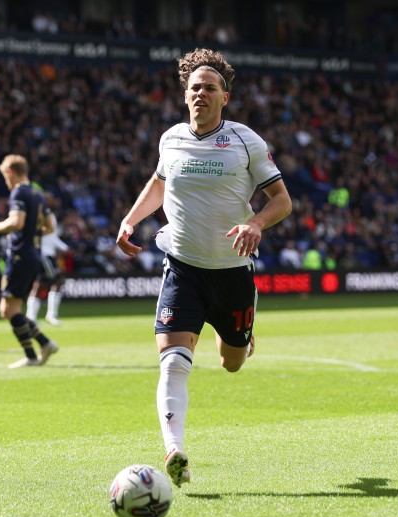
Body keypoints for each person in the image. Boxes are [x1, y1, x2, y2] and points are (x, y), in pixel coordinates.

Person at [115, 48, 292, 487]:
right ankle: (174, 448)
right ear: (185, 94)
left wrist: (255, 223)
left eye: (210, 87)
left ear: (224, 97)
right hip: (182, 267)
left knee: (232, 363)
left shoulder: (246, 141)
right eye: (194, 87)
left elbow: (282, 201)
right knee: (173, 363)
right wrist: (131, 219)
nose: (201, 93)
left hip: (232, 272)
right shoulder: (170, 139)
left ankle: (242, 329)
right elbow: (159, 182)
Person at [0, 155, 59, 368]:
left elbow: (16, 221)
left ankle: (34, 353)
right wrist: (32, 232)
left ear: (11, 171)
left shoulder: (19, 192)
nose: (6, 180)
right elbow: (50, 227)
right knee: (11, 309)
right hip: (34, 254)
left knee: (8, 310)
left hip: (20, 255)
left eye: (5, 175)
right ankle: (43, 344)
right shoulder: (38, 194)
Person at [26, 206, 68, 326]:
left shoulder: (48, 214)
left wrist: (64, 247)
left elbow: (52, 237)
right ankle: (49, 315)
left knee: (41, 283)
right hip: (43, 255)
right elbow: (43, 233)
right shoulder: (40, 215)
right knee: (57, 280)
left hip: (45, 255)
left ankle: (32, 317)